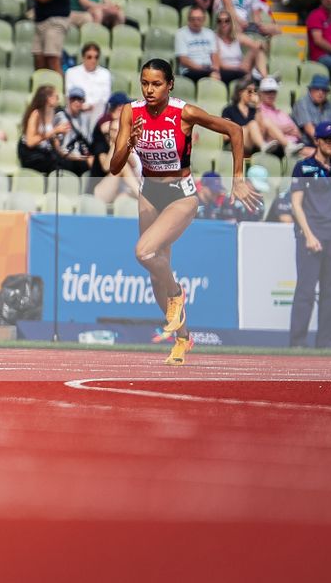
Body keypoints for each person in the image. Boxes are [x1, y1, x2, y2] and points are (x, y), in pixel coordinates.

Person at [105, 58, 258, 365]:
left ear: (170, 84)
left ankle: (177, 293)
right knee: (154, 277)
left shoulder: (184, 113)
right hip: (149, 193)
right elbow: (114, 166)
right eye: (145, 83)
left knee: (145, 253)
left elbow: (235, 130)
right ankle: (183, 338)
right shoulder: (130, 113)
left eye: (156, 83)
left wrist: (238, 177)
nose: (149, 89)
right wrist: (129, 143)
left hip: (181, 195)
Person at [287, 122, 331, 349]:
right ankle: (297, 343)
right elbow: (296, 205)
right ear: (317, 141)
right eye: (327, 139)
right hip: (310, 235)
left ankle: (326, 344)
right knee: (306, 291)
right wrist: (308, 235)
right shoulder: (302, 167)